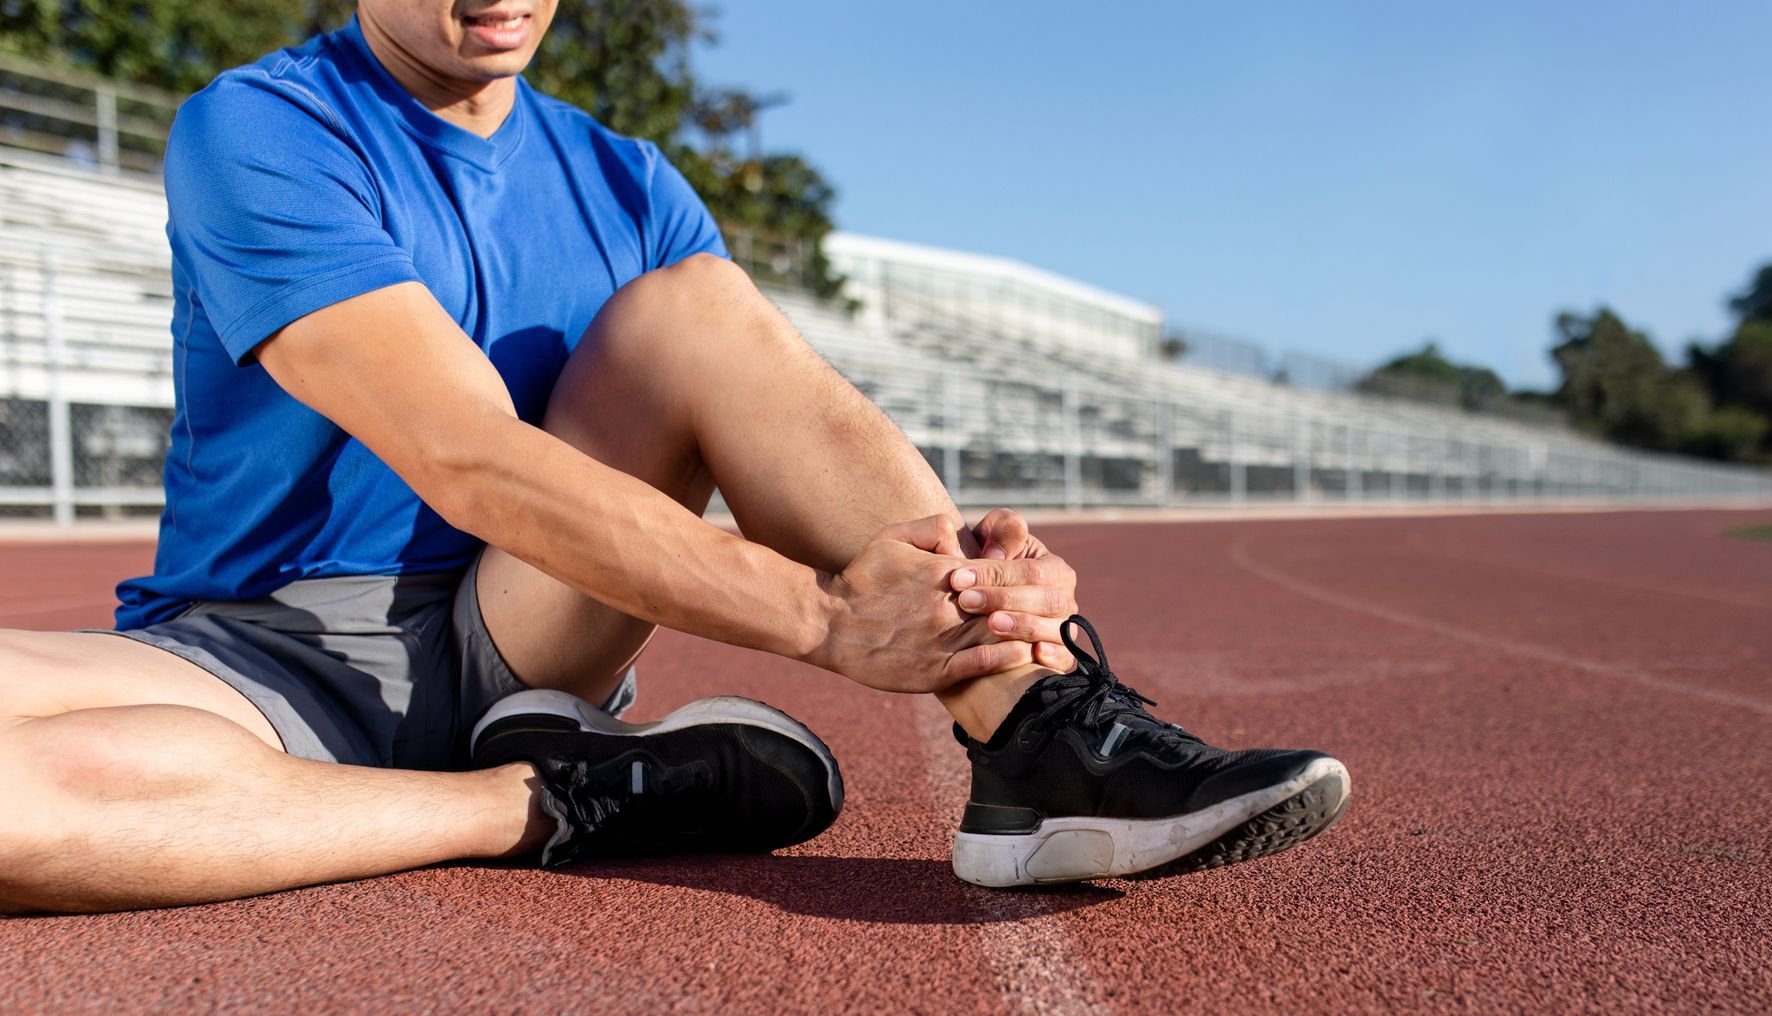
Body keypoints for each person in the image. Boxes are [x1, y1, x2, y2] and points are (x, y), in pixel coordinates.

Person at [0, 1, 1349, 915]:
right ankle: (546, 800)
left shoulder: (629, 180)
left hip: (522, 625)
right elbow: (466, 454)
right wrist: (823, 622)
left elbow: (760, 409)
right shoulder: (262, 129)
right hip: (256, 656)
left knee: (690, 316)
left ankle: (1037, 726)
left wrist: (974, 594)